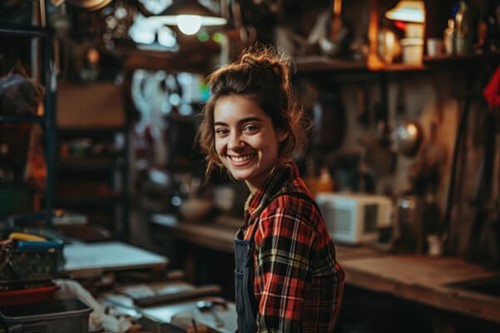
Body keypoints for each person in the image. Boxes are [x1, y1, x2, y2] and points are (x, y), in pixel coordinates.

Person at [197, 44, 345, 332]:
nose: (234, 143)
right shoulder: (264, 206)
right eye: (222, 131)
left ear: (281, 129)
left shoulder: (284, 214)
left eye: (250, 127)